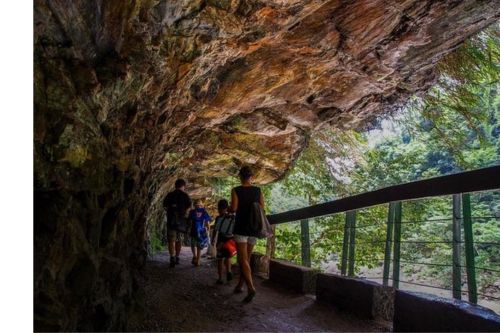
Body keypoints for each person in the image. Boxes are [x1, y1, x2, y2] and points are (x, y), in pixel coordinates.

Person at [230, 166, 265, 303]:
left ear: (240, 176)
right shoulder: (258, 190)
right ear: (252, 177)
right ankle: (240, 285)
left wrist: (228, 208)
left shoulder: (236, 190)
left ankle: (251, 288)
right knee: (247, 259)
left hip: (241, 227)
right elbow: (262, 207)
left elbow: (234, 208)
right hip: (254, 228)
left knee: (242, 259)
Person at [163, 179, 192, 268]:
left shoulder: (170, 195)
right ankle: (177, 257)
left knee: (171, 240)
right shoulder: (185, 195)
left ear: (175, 186)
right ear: (183, 186)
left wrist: (171, 211)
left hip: (171, 221)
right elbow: (189, 207)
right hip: (181, 222)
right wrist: (183, 213)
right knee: (179, 240)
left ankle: (172, 257)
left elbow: (165, 206)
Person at [212, 199, 236, 284]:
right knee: (228, 257)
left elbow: (215, 230)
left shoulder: (219, 218)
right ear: (227, 208)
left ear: (218, 208)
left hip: (221, 241)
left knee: (220, 259)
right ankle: (229, 271)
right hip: (230, 240)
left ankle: (220, 278)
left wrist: (213, 240)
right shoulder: (232, 217)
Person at [188, 199, 212, 266]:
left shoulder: (192, 212)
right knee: (199, 246)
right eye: (198, 204)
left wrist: (188, 229)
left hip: (195, 230)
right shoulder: (204, 212)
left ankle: (195, 257)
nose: (198, 206)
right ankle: (197, 260)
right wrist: (208, 230)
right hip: (201, 231)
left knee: (194, 245)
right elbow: (207, 222)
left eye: (199, 204)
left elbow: (189, 222)